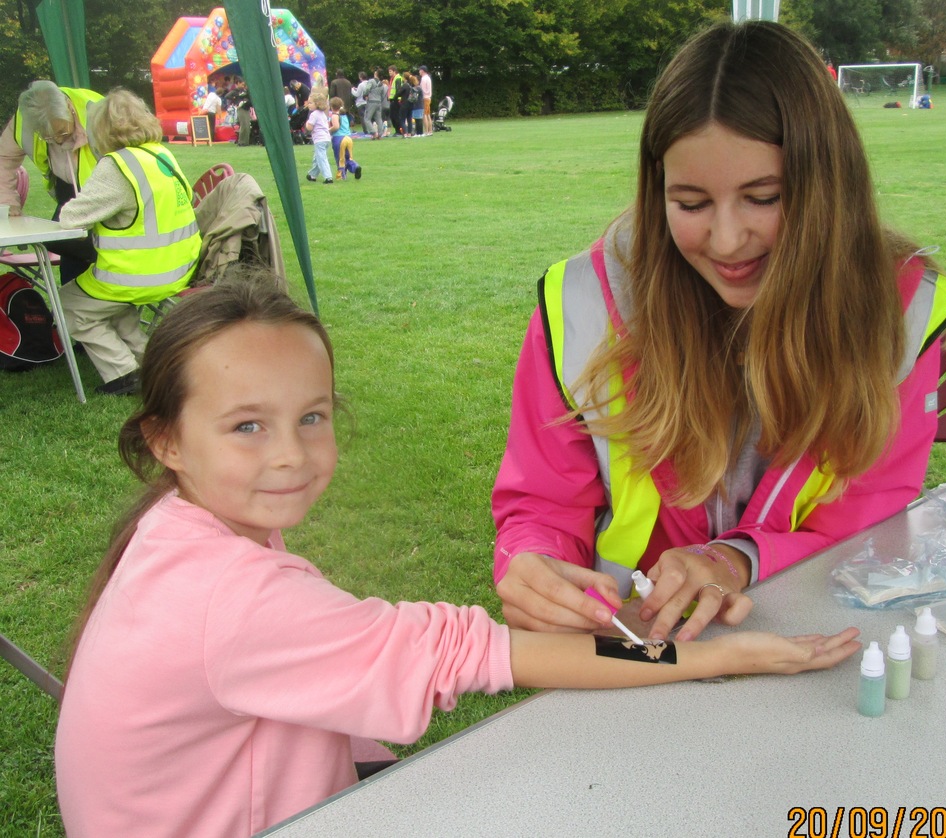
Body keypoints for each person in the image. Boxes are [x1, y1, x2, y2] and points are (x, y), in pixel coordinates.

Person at [53, 269, 861, 837]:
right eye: (247, 426)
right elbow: (478, 654)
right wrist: (718, 656)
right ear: (165, 440)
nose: (291, 454)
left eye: (312, 416)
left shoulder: (178, 528)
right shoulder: (232, 597)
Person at [491, 20, 946, 642]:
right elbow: (543, 499)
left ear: (827, 187)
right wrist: (531, 557)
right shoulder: (582, 303)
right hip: (632, 648)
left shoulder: (897, 316)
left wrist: (735, 560)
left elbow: (869, 524)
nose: (727, 239)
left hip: (804, 635)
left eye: (763, 197)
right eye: (690, 204)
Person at [56, 88, 200, 396]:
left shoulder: (117, 166)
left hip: (137, 276)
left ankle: (122, 372)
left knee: (67, 303)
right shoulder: (161, 154)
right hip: (180, 268)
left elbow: (71, 218)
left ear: (101, 130)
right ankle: (152, 364)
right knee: (114, 307)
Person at [0, 80, 104, 282]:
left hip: (105, 189)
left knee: (103, 256)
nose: (58, 141)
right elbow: (4, 158)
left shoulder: (98, 112)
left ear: (69, 108)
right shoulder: (25, 118)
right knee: (66, 250)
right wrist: (7, 201)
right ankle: (71, 296)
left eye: (62, 132)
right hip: (68, 191)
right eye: (47, 137)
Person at [304, 90, 334, 184]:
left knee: (321, 158)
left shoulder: (314, 114)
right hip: (326, 138)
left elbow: (310, 127)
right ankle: (312, 175)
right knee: (317, 158)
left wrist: (307, 123)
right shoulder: (323, 114)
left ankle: (328, 177)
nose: (308, 105)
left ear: (317, 104)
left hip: (319, 139)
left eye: (310, 103)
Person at [329, 97, 362, 181]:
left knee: (340, 158)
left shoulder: (335, 115)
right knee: (348, 157)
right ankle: (355, 167)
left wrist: (328, 130)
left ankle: (341, 175)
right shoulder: (344, 115)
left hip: (339, 138)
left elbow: (336, 127)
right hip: (348, 137)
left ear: (332, 107)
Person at [362, 69, 387, 140]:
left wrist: (365, 95)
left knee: (367, 118)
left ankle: (373, 133)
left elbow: (367, 89)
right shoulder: (382, 84)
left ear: (376, 74)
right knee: (379, 119)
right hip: (379, 102)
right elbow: (383, 94)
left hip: (371, 101)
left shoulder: (371, 81)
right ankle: (380, 134)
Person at [419, 65, 433, 136]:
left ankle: (426, 131)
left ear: (422, 71)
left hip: (425, 98)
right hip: (428, 98)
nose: (419, 72)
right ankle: (430, 131)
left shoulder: (424, 79)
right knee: (428, 115)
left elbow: (422, 90)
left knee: (424, 115)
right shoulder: (428, 78)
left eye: (420, 70)